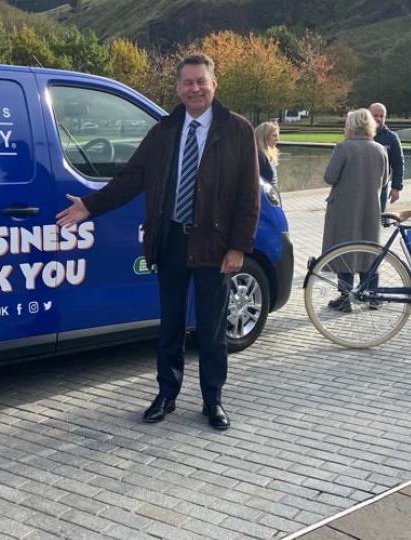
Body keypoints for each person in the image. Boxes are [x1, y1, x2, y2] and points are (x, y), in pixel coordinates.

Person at [56, 53, 260, 430]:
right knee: (170, 325)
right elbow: (130, 178)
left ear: (214, 84)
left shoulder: (237, 130)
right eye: (187, 82)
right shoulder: (165, 130)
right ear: (178, 87)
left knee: (213, 329)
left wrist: (238, 247)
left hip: (215, 246)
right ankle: (167, 393)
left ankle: (212, 399)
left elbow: (249, 196)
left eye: (201, 81)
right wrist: (89, 205)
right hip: (170, 241)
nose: (194, 88)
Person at [322, 108, 389, 313]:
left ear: (351, 126)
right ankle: (373, 295)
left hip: (345, 208)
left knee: (345, 250)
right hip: (371, 208)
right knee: (369, 249)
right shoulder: (380, 150)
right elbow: (385, 180)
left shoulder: (344, 148)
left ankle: (345, 298)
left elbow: (329, 177)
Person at [369, 102, 404, 212]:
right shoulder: (358, 135)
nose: (378, 119)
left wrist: (396, 188)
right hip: (359, 186)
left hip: (381, 187)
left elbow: (398, 164)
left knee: (377, 220)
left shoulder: (392, 138)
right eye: (375, 115)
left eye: (381, 116)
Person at [254, 121, 280, 188]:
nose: (277, 139)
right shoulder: (259, 157)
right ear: (264, 137)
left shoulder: (268, 154)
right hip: (266, 197)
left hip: (272, 195)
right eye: (274, 136)